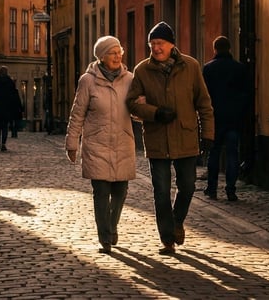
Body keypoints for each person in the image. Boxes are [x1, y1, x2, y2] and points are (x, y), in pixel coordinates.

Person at [127, 21, 215, 256]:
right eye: (152, 44)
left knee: (187, 186)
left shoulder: (191, 66)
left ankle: (177, 222)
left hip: (186, 137)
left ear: (172, 45)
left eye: (160, 44)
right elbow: (132, 104)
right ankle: (168, 239)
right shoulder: (142, 70)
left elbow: (204, 103)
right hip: (157, 139)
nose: (156, 48)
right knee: (161, 191)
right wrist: (155, 113)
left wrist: (207, 135)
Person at [66, 36, 137, 254]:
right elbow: (77, 113)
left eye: (119, 52)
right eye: (112, 53)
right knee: (101, 191)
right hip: (96, 143)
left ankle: (112, 225)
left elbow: (138, 109)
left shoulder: (130, 79)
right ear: (102, 57)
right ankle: (105, 237)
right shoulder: (88, 81)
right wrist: (72, 143)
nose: (117, 56)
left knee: (120, 191)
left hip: (123, 142)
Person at [202, 36, 249, 202]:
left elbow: (203, 96)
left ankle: (212, 189)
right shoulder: (240, 68)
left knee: (213, 153)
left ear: (215, 49)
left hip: (214, 118)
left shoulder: (207, 69)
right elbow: (246, 94)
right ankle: (231, 190)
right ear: (229, 49)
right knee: (232, 154)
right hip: (233, 118)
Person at [0, 66, 22, 151]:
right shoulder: (10, 82)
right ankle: (3, 144)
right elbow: (13, 94)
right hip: (7, 108)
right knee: (4, 126)